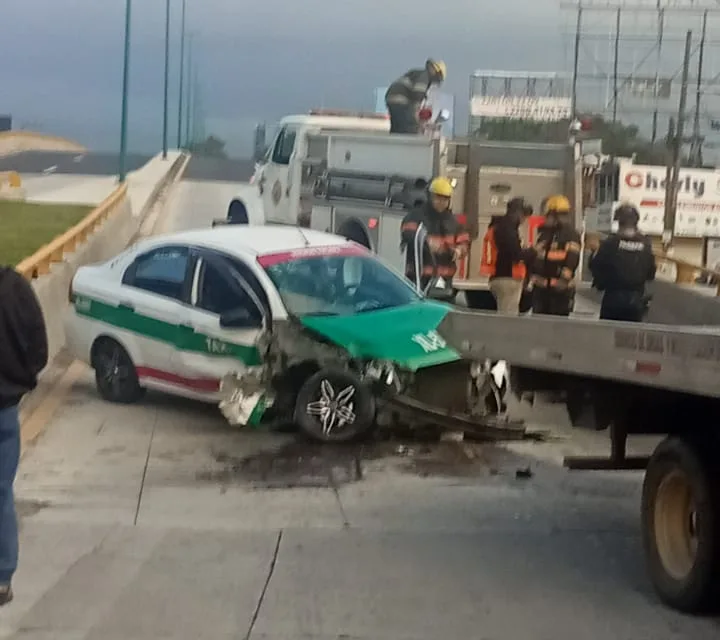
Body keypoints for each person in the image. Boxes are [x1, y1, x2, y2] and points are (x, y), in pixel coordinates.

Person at [0, 265, 48, 606]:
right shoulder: (17, 288)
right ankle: (2, 577)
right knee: (1, 493)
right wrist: (22, 380)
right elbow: (39, 348)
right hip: (5, 408)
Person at [400, 176, 469, 291]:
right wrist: (427, 243)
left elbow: (464, 241)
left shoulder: (453, 222)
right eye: (438, 198)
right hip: (419, 280)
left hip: (445, 280)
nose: (441, 202)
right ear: (430, 197)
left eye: (445, 199)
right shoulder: (416, 216)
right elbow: (408, 234)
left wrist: (459, 250)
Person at [589, 204, 656, 321]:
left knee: (609, 334)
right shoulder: (646, 244)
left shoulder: (611, 243)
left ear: (619, 222)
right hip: (636, 301)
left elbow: (595, 266)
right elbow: (651, 274)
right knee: (631, 336)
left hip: (613, 299)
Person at [530, 194, 582, 316]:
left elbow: (572, 259)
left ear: (553, 215)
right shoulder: (545, 234)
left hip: (559, 291)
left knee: (557, 327)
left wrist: (564, 280)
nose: (545, 218)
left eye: (547, 216)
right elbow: (538, 258)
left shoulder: (570, 234)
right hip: (541, 289)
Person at [481, 197, 535, 315]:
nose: (524, 219)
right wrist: (533, 251)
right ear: (516, 212)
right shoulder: (507, 230)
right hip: (508, 278)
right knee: (507, 318)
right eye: (524, 214)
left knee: (505, 313)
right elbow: (515, 255)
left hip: (500, 277)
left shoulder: (499, 227)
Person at [385, 59, 447, 134]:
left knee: (397, 127)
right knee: (408, 127)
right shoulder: (425, 76)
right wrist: (415, 114)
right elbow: (418, 92)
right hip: (401, 100)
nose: (436, 81)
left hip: (392, 98)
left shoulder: (418, 73)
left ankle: (394, 143)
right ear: (436, 72)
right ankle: (406, 144)